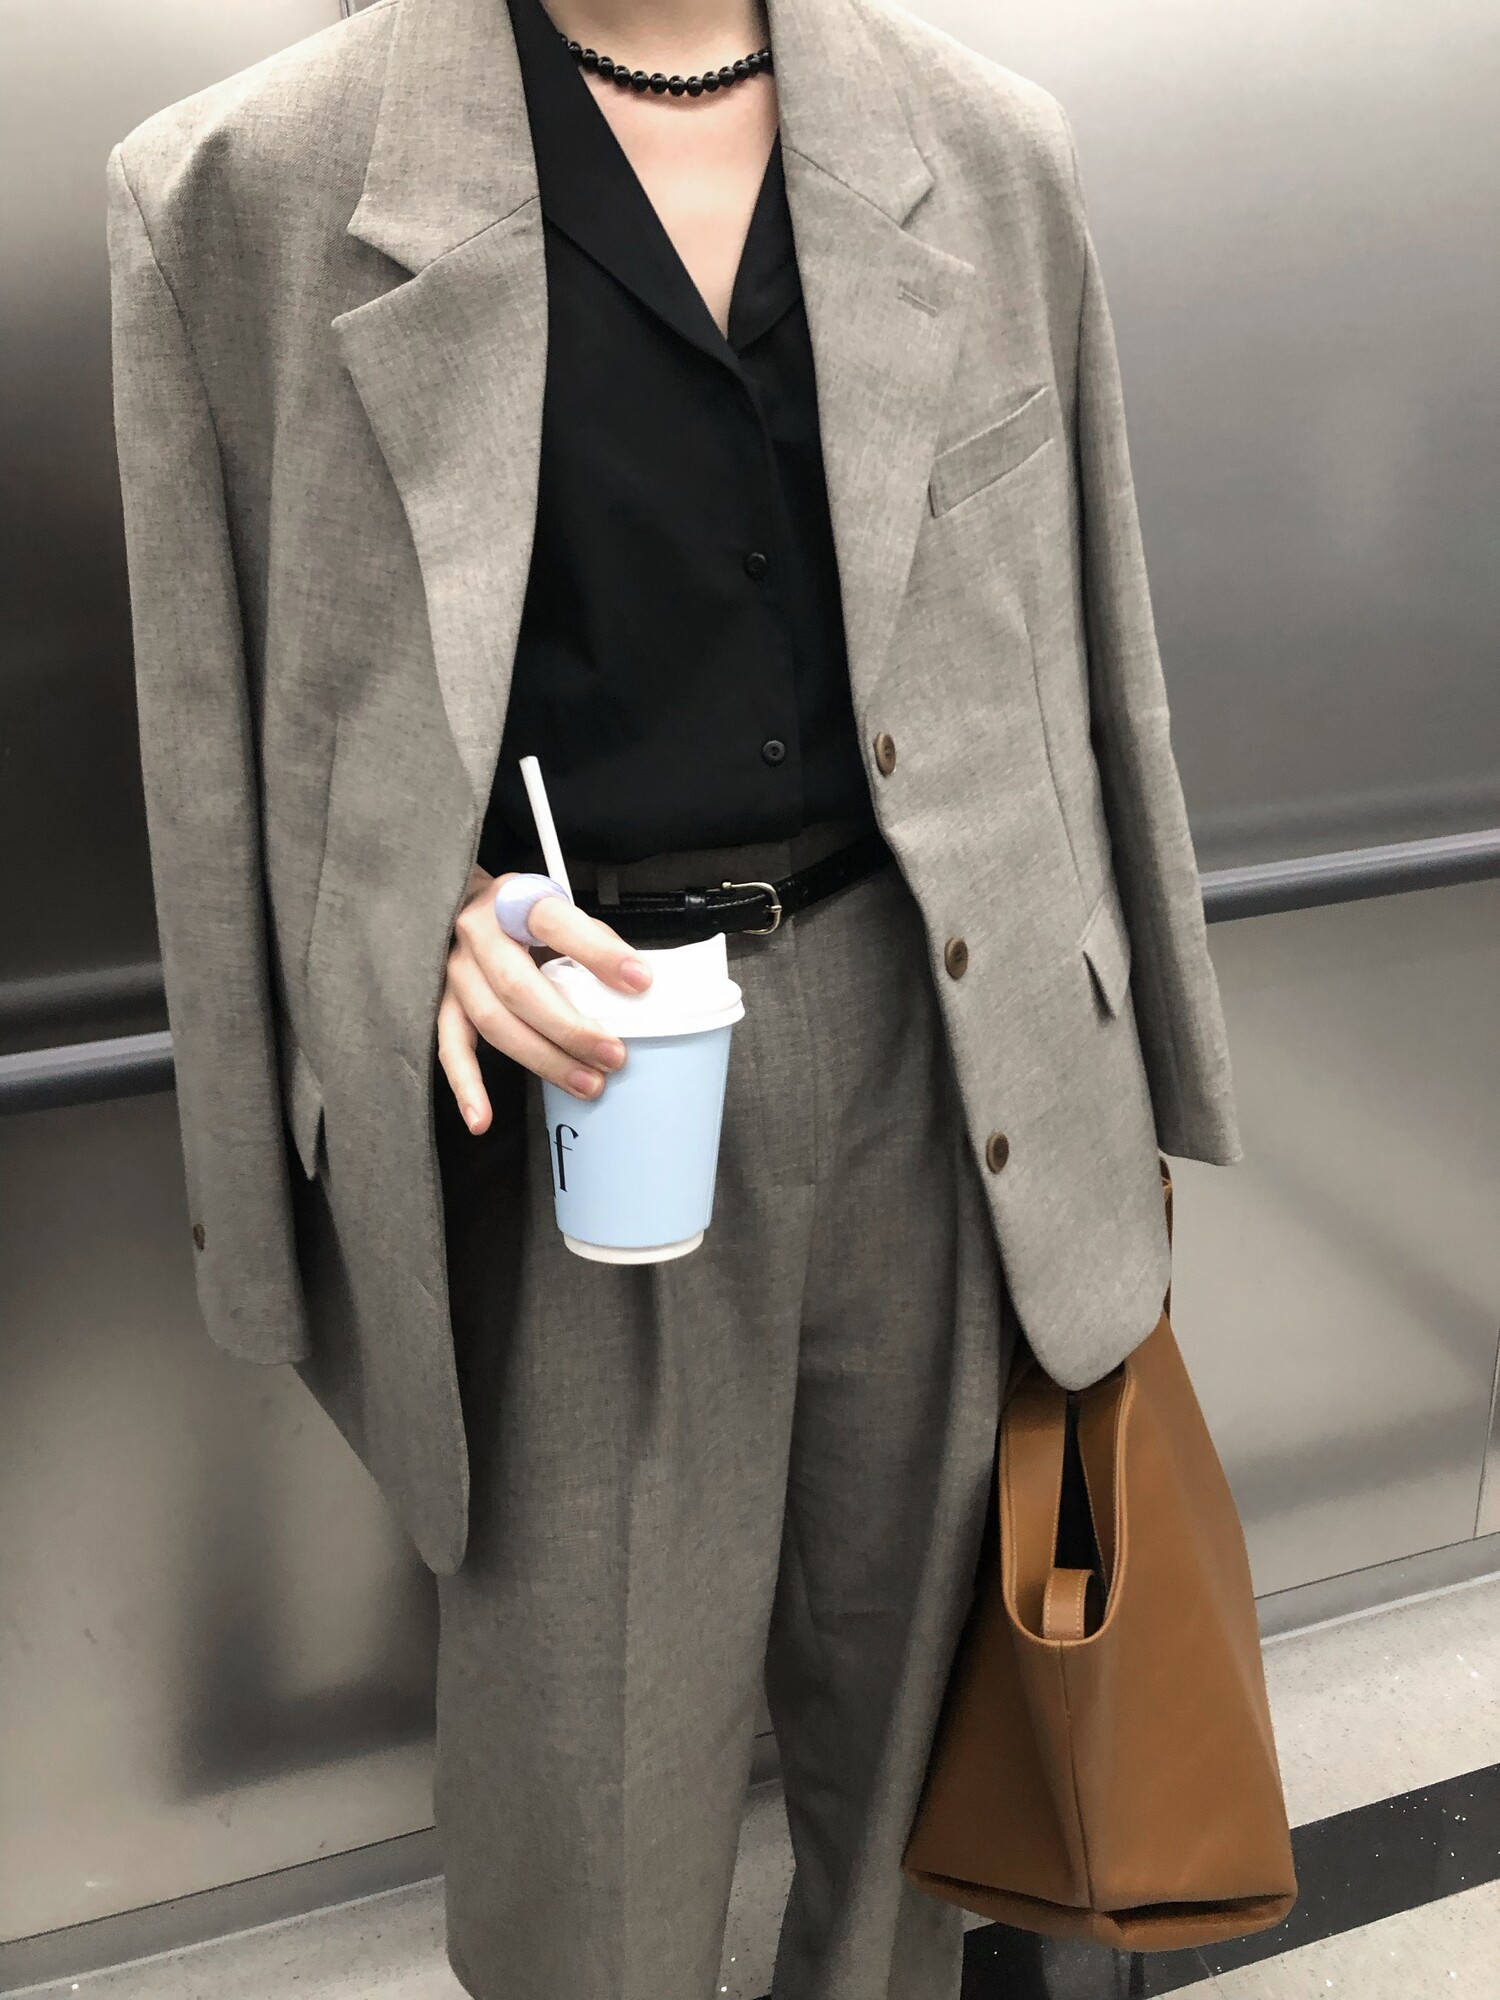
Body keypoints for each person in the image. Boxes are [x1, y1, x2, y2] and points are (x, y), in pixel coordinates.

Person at [105, 0, 1243, 1993]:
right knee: (587, 1795)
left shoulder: (991, 150)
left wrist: (1134, 1070)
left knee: (925, 1740)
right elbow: (228, 750)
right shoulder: (239, 193)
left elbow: (1086, 647)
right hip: (585, 1062)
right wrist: (418, 917)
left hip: (939, 1048)